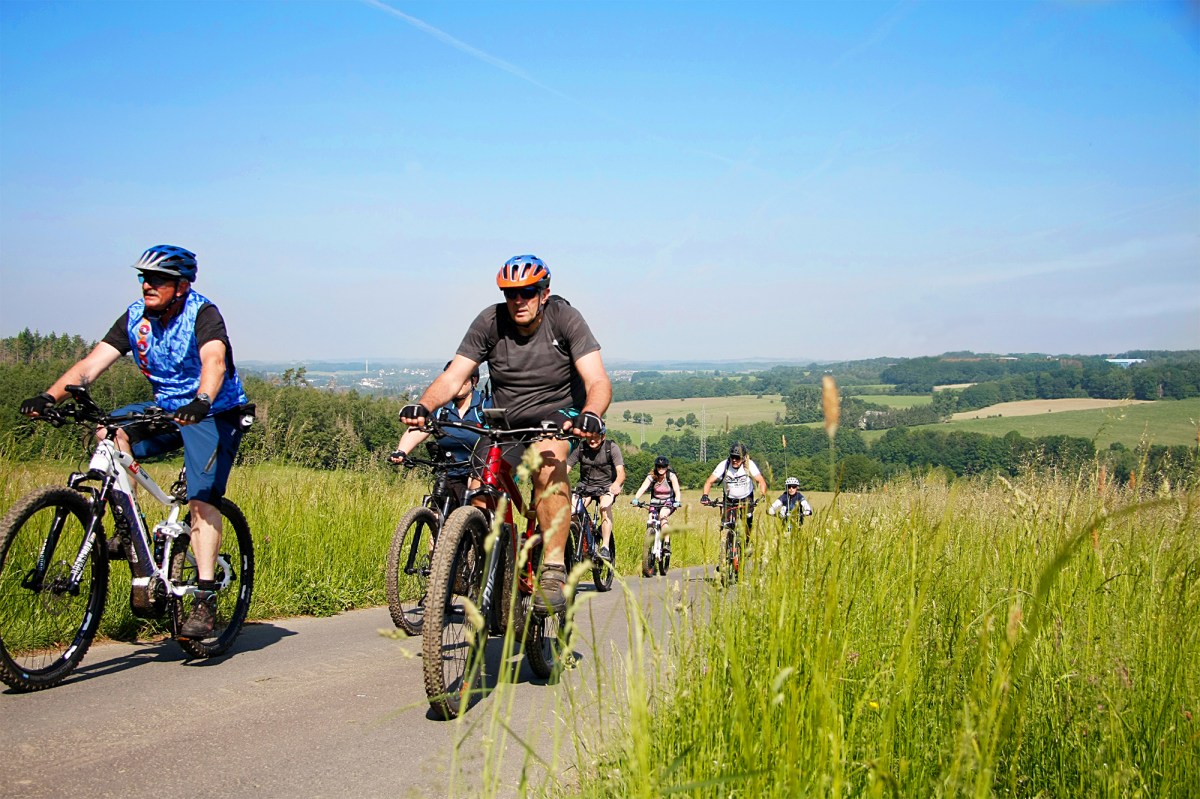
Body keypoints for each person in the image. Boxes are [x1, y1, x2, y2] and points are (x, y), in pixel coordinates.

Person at [19, 245, 249, 639]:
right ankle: (130, 533)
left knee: (201, 498)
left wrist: (202, 400)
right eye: (143, 277)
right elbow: (91, 365)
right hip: (165, 408)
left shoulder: (202, 313)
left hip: (212, 411)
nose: (147, 284)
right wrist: (50, 396)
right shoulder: (135, 317)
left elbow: (215, 361)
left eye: (157, 279)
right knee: (109, 433)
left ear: (180, 286)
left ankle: (206, 598)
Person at [398, 254, 611, 615]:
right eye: (511, 293)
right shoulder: (490, 321)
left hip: (557, 416)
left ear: (544, 293)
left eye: (528, 292)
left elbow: (597, 380)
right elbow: (453, 377)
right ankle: (487, 571)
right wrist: (424, 406)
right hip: (506, 421)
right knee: (481, 489)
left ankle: (554, 570)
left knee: (548, 468)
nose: (519, 300)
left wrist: (590, 413)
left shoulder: (565, 319)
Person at [389, 361, 489, 507]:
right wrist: (401, 451)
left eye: (464, 378)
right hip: (449, 471)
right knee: (438, 517)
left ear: (474, 380)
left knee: (477, 508)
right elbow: (419, 429)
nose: (459, 383)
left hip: (479, 473)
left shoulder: (485, 404)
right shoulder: (441, 407)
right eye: (455, 380)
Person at [566, 429, 625, 562]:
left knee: (605, 507)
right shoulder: (581, 448)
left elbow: (621, 472)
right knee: (572, 512)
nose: (592, 440)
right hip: (585, 487)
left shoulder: (611, 448)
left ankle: (605, 547)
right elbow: (566, 468)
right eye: (589, 437)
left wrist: (616, 484)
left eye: (596, 437)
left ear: (603, 436)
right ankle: (582, 540)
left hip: (606, 487)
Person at [701, 442, 769, 536]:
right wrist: (705, 496)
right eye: (732, 457)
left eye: (738, 457)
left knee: (747, 525)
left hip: (746, 498)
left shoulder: (749, 465)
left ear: (744, 458)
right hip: (729, 498)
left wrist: (763, 495)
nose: (734, 460)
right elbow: (709, 481)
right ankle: (728, 545)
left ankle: (747, 545)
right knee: (726, 524)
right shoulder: (724, 465)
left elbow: (761, 481)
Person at [631, 455, 682, 576]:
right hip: (654, 502)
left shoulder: (671, 476)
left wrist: (678, 500)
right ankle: (650, 541)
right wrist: (636, 498)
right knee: (650, 520)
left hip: (668, 502)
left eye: (663, 466)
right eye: (659, 466)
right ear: (656, 467)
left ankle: (666, 544)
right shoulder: (651, 476)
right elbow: (643, 487)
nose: (661, 469)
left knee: (663, 516)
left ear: (667, 467)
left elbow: (677, 490)